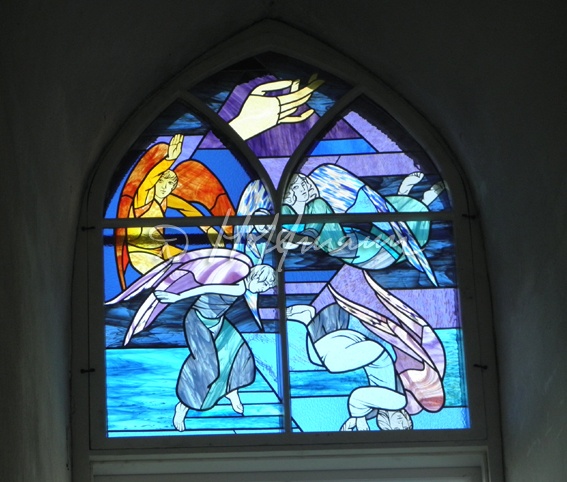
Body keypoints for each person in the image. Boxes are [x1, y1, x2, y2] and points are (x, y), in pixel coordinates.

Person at [107, 248, 276, 432]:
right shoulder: (238, 287)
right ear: (257, 278)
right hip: (198, 322)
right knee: (205, 365)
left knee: (240, 354)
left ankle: (231, 391)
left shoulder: (239, 275)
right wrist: (177, 297)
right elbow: (206, 288)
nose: (263, 290)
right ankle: (182, 407)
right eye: (264, 286)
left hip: (217, 322)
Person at [281, 168, 446, 284]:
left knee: (384, 217)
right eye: (295, 186)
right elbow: (288, 242)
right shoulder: (294, 210)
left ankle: (412, 196)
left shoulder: (313, 207)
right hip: (364, 249)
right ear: (288, 196)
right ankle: (416, 197)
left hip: (361, 244)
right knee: (390, 224)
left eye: (304, 182)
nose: (305, 187)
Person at [287, 303, 412, 431]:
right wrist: (360, 420)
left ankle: (309, 319)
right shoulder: (397, 402)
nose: (401, 424)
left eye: (398, 428)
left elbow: (359, 407)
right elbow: (358, 396)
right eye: (405, 425)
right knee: (333, 364)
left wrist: (352, 422)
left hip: (369, 352)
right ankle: (308, 318)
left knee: (316, 358)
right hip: (374, 354)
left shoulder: (376, 409)